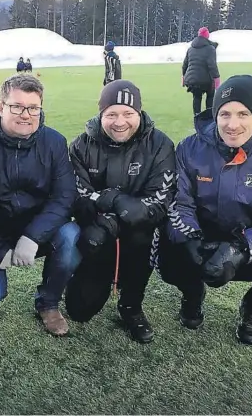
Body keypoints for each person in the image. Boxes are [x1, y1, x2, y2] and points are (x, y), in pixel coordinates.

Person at [159, 75, 252, 345]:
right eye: (224, 114)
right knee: (167, 257)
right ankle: (193, 293)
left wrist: (240, 248)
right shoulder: (189, 148)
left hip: (249, 243)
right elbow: (179, 203)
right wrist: (191, 240)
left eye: (243, 114)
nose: (232, 124)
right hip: (202, 239)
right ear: (215, 115)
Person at [66, 80, 176, 343]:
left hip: (138, 231)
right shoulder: (81, 146)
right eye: (111, 114)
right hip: (98, 232)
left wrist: (112, 206)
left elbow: (159, 201)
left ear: (139, 113)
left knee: (144, 234)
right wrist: (114, 206)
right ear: (100, 113)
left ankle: (131, 305)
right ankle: (97, 278)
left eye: (128, 113)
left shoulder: (160, 145)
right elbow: (76, 194)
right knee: (79, 311)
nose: (120, 122)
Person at [0, 74, 79, 336]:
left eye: (33, 108)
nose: (26, 115)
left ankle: (49, 303)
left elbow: (64, 196)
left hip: (37, 232)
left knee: (71, 235)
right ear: (1, 107)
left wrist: (32, 236)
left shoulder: (54, 142)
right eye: (17, 106)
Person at [181, 27, 220, 117]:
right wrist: (217, 79)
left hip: (192, 80)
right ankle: (208, 117)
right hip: (206, 80)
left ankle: (197, 116)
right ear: (207, 36)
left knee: (197, 97)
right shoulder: (210, 49)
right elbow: (212, 65)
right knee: (210, 96)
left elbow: (185, 65)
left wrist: (183, 77)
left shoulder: (191, 48)